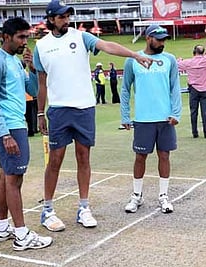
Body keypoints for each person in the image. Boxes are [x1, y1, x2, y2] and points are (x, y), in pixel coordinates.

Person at [34, 0, 153, 232]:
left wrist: (135, 55)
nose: (66, 20)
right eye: (61, 17)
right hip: (58, 110)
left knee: (83, 158)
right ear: (50, 19)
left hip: (85, 109)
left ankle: (84, 207)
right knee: (55, 160)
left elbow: (107, 46)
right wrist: (40, 112)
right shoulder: (41, 46)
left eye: (68, 16)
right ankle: (47, 210)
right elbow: (41, 83)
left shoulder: (81, 37)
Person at [0, 17, 52, 251]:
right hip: (9, 128)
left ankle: (2, 228)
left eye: (27, 36)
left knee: (6, 176)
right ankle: (22, 235)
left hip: (16, 125)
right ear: (6, 37)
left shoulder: (15, 62)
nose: (25, 41)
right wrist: (5, 135)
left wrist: (32, 69)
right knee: (15, 180)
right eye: (21, 37)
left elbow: (32, 90)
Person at [120, 24, 181, 214]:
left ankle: (163, 196)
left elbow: (175, 87)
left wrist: (176, 113)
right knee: (140, 157)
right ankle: (136, 196)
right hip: (143, 119)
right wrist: (125, 115)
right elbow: (125, 88)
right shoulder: (133, 60)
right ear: (148, 38)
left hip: (165, 119)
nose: (162, 42)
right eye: (159, 39)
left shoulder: (169, 59)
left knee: (164, 155)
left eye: (164, 39)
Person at [177, 24, 206, 138]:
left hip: (193, 90)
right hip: (204, 89)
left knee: (193, 112)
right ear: (202, 53)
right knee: (205, 113)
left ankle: (195, 133)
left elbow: (177, 64)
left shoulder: (189, 62)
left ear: (194, 52)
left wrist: (179, 59)